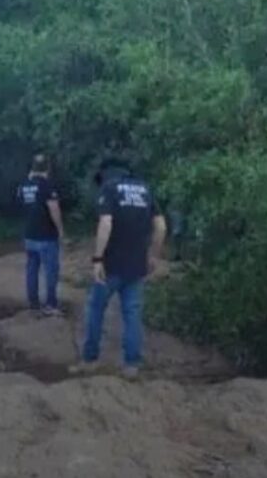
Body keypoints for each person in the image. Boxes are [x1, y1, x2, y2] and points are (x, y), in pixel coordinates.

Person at [73, 159, 167, 379]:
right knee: (132, 314)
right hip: (136, 265)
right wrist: (154, 256)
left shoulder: (110, 188)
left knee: (96, 309)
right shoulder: (145, 189)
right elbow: (161, 226)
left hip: (110, 265)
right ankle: (131, 365)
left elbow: (106, 223)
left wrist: (97, 258)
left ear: (105, 175)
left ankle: (90, 360)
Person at [17, 153, 66, 316]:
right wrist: (60, 230)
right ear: (47, 167)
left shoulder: (24, 185)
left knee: (32, 269)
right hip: (46, 235)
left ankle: (33, 303)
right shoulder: (47, 185)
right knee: (51, 270)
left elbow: (20, 204)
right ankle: (50, 304)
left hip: (29, 234)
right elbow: (54, 209)